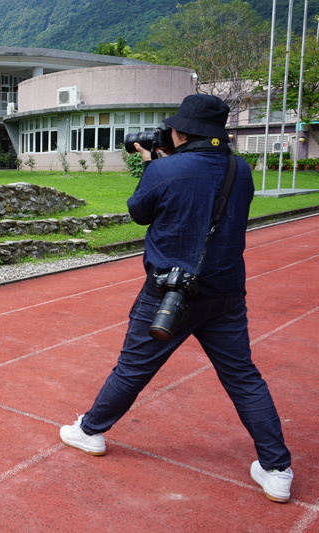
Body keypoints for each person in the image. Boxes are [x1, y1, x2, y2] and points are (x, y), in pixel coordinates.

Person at [59, 94, 294, 503]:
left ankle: (90, 431)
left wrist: (153, 164)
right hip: (224, 293)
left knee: (133, 368)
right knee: (242, 376)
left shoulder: (165, 168)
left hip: (170, 292)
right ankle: (277, 469)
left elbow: (139, 212)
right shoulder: (241, 169)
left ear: (181, 131)